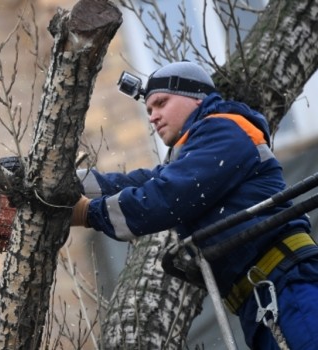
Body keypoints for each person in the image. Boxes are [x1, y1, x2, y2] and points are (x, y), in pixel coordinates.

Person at [68, 61, 318, 349]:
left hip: (291, 285)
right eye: (148, 110)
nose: (153, 116)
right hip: (261, 298)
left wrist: (88, 212)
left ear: (196, 97)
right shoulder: (196, 152)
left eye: (161, 103)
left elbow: (164, 199)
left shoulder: (225, 129)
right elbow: (139, 182)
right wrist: (64, 182)